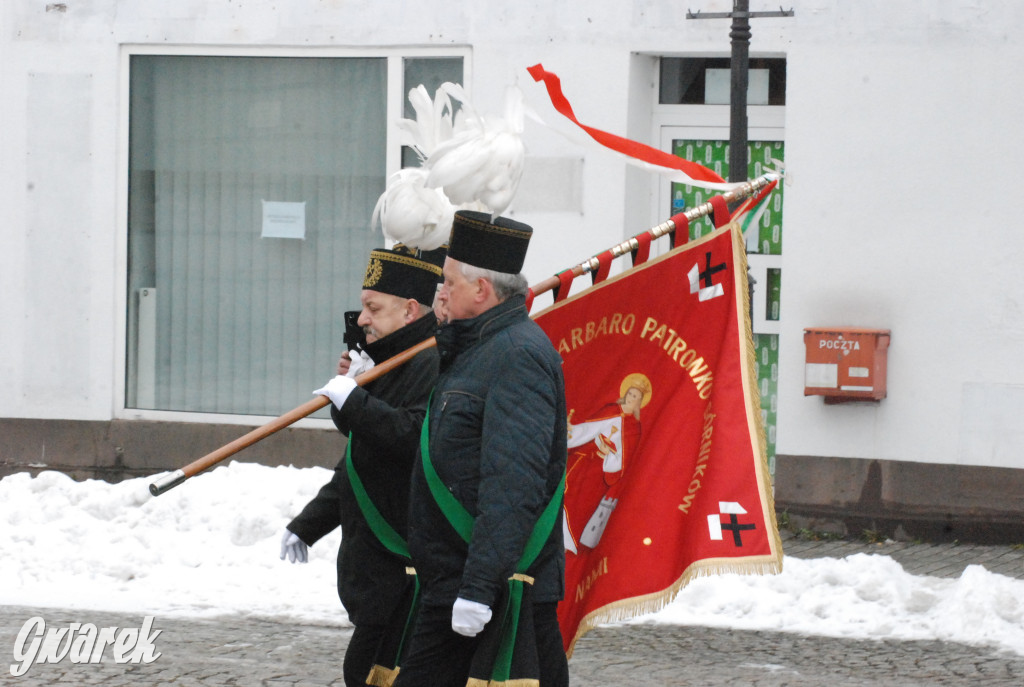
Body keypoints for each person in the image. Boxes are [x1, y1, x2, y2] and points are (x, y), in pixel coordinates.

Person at [394, 210, 569, 687]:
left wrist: (477, 589)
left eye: (449, 282)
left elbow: (513, 484)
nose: (440, 293)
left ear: (482, 290)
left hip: (490, 586)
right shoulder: (475, 348)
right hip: (456, 577)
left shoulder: (518, 357)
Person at [280, 243, 445, 687]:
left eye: (373, 308)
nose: (364, 318)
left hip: (403, 570)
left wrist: (355, 400)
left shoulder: (431, 360)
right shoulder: (390, 358)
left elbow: (411, 438)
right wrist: (309, 523)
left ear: (410, 311)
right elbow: (361, 460)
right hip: (376, 574)